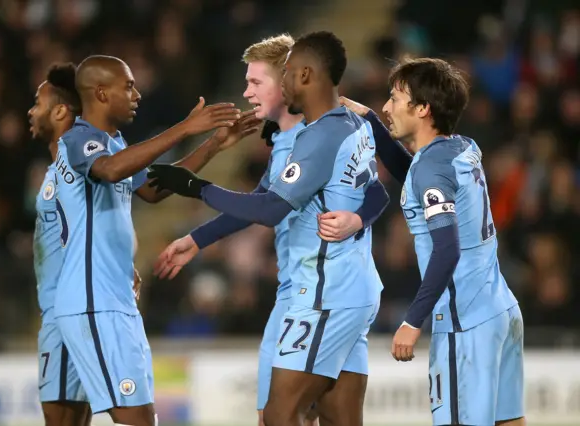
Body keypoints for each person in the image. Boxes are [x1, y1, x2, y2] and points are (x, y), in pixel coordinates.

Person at [148, 31, 399, 426]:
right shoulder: (301, 134)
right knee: (334, 416)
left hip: (322, 291)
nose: (247, 91)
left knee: (278, 415)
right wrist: (198, 239)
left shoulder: (315, 135)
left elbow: (269, 208)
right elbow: (370, 192)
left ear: (297, 77)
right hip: (328, 288)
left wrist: (195, 187)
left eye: (257, 81)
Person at [52, 55, 255, 426]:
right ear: (100, 92)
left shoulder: (112, 142)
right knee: (138, 419)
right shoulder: (79, 139)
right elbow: (110, 171)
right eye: (128, 86)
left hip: (110, 297)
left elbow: (152, 190)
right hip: (94, 301)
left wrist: (214, 145)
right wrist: (184, 128)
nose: (137, 94)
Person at [382, 57, 524, 426]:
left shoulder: (431, 169)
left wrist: (413, 321)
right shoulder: (462, 147)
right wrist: (369, 121)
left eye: (396, 98)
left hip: (466, 321)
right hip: (500, 308)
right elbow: (416, 174)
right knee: (509, 421)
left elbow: (447, 249)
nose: (387, 107)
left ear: (423, 108)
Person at [29, 63, 91, 426]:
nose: (31, 111)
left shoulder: (74, 159)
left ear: (60, 111)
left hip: (65, 318)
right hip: (61, 314)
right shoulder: (60, 168)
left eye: (38, 103)